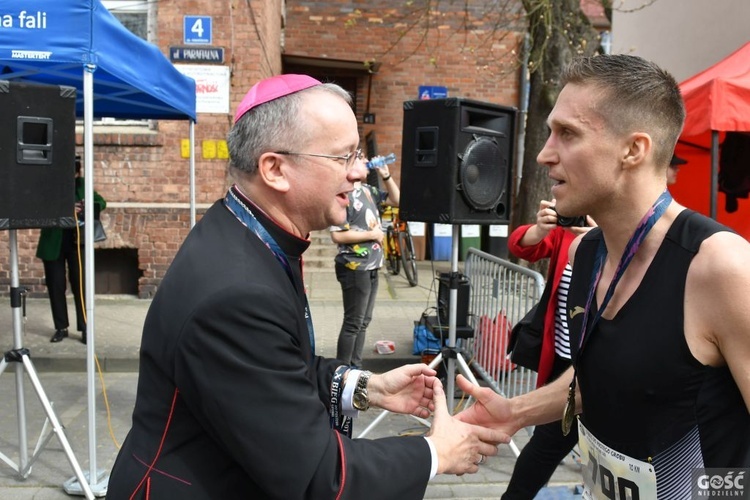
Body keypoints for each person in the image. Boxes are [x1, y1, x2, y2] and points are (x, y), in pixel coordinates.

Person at [107, 74, 506, 499]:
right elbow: (320, 476)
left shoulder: (246, 230)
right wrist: (435, 453)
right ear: (275, 168)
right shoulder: (238, 292)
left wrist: (365, 387)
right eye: (343, 156)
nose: (359, 172)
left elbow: (278, 367)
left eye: (358, 153)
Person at [457, 54, 750, 499]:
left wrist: (703, 494)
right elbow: (598, 384)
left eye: (568, 134)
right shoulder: (586, 252)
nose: (543, 154)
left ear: (634, 150)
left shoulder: (720, 268)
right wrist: (513, 412)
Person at [503, 200, 593, 499]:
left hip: (608, 372)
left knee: (612, 454)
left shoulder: (624, 236)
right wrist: (541, 227)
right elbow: (521, 247)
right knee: (544, 447)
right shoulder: (565, 233)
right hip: (564, 368)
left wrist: (605, 240)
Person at [330, 159, 399, 368]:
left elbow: (396, 201)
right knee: (353, 323)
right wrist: (371, 234)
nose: (367, 160)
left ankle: (355, 368)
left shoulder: (369, 190)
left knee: (363, 322)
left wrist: (386, 175)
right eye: (360, 157)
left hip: (372, 265)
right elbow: (337, 236)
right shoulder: (342, 193)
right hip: (354, 266)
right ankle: (341, 372)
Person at [36, 156, 106, 344]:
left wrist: (87, 205)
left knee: (81, 285)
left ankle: (84, 328)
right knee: (56, 286)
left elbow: (101, 202)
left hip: (77, 242)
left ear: (77, 172)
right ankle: (61, 328)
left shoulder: (82, 185)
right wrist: (66, 208)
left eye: (73, 173)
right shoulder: (50, 186)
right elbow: (40, 207)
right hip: (54, 243)